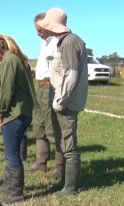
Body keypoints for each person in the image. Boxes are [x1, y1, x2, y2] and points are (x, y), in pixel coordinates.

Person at [37, 8, 88, 196]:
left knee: (69, 144)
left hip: (66, 102)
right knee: (66, 142)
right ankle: (66, 182)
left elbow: (71, 75)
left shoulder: (68, 43)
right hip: (66, 100)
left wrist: (60, 100)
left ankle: (70, 187)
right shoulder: (69, 41)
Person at [0, 34, 37, 203]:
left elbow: (6, 92)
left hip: (15, 113)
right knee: (11, 153)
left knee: (12, 153)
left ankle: (15, 192)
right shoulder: (15, 59)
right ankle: (8, 185)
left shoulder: (9, 61)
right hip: (22, 112)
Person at [29, 13, 64, 179]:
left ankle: (59, 168)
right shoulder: (44, 43)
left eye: (39, 29)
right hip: (39, 88)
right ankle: (40, 163)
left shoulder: (57, 42)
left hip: (50, 88)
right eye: (36, 30)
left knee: (53, 129)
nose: (38, 33)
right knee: (39, 126)